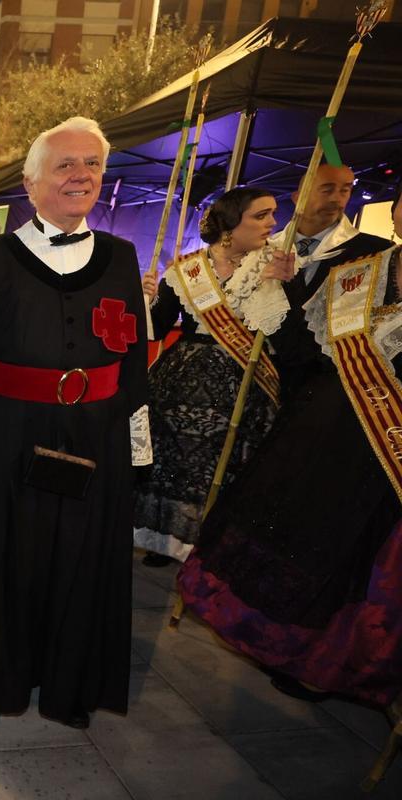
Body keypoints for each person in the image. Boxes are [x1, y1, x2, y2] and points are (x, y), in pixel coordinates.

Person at [0, 117, 149, 732]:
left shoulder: (122, 258)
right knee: (4, 559)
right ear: (30, 182)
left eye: (92, 164)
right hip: (9, 435)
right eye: (65, 164)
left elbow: (134, 364)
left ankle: (68, 682)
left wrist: (138, 448)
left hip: (98, 434)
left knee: (82, 558)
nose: (81, 175)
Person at [178, 183, 402, 707]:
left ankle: (329, 662)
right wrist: (290, 291)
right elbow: (307, 357)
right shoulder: (361, 271)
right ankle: (288, 647)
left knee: (350, 558)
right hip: (321, 435)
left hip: (384, 452)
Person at [133, 188, 293, 566]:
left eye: (273, 214)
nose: (272, 223)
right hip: (180, 386)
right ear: (230, 222)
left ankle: (211, 544)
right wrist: (146, 300)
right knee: (173, 462)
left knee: (230, 465)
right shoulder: (187, 270)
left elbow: (287, 334)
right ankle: (168, 539)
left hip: (245, 385)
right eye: (260, 215)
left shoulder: (277, 265)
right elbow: (156, 327)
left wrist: (289, 284)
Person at [268, 164, 393, 399]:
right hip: (267, 378)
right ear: (297, 197)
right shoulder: (266, 249)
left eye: (345, 190)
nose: (337, 198)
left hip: (329, 385)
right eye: (327, 190)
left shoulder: (375, 252)